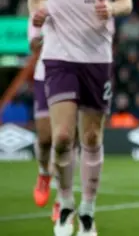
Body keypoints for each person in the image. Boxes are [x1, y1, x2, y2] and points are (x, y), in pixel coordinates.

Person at [28, 0, 133, 236]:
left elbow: (126, 1)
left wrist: (111, 9)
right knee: (60, 137)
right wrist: (36, 13)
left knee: (90, 137)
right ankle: (66, 204)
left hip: (96, 56)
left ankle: (88, 208)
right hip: (58, 55)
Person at [28, 21, 63, 222]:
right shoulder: (39, 5)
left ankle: (62, 198)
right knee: (44, 138)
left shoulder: (79, 1)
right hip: (45, 76)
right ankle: (43, 173)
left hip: (74, 75)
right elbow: (34, 45)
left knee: (65, 138)